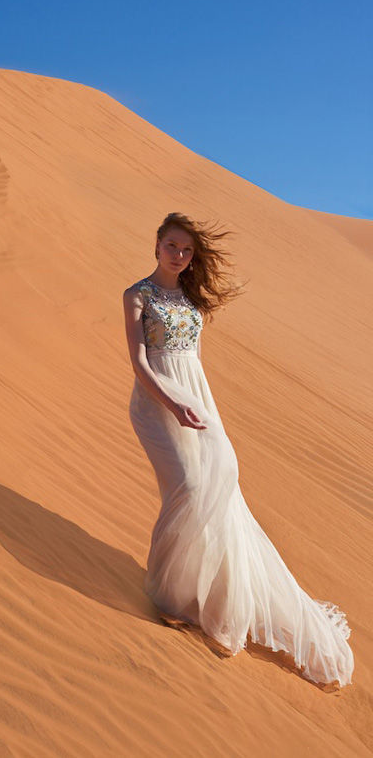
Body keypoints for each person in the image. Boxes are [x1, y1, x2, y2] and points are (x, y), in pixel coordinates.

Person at [123, 211, 354, 688]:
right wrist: (173, 404)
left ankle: (208, 592)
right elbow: (140, 363)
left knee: (220, 484)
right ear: (157, 245)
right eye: (172, 246)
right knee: (188, 486)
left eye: (187, 250)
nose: (179, 255)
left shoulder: (189, 299)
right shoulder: (137, 296)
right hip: (156, 403)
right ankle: (172, 593)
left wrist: (201, 408)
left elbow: (195, 362)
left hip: (197, 399)